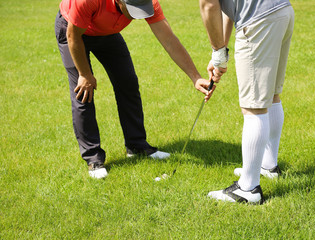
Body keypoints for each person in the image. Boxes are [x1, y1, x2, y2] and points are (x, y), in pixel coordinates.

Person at [55, 0, 214, 179]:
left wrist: (195, 77)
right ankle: (93, 158)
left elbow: (169, 40)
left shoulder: (150, 2)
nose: (137, 15)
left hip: (107, 33)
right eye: (132, 10)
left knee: (128, 83)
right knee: (83, 92)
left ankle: (137, 146)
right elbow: (72, 36)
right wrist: (84, 74)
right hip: (74, 31)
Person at [200, 0, 295, 204]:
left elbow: (209, 4)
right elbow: (228, 7)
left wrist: (218, 53)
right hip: (282, 11)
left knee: (254, 106)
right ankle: (268, 166)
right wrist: (221, 52)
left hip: (258, 20)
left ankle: (248, 189)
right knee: (270, 96)